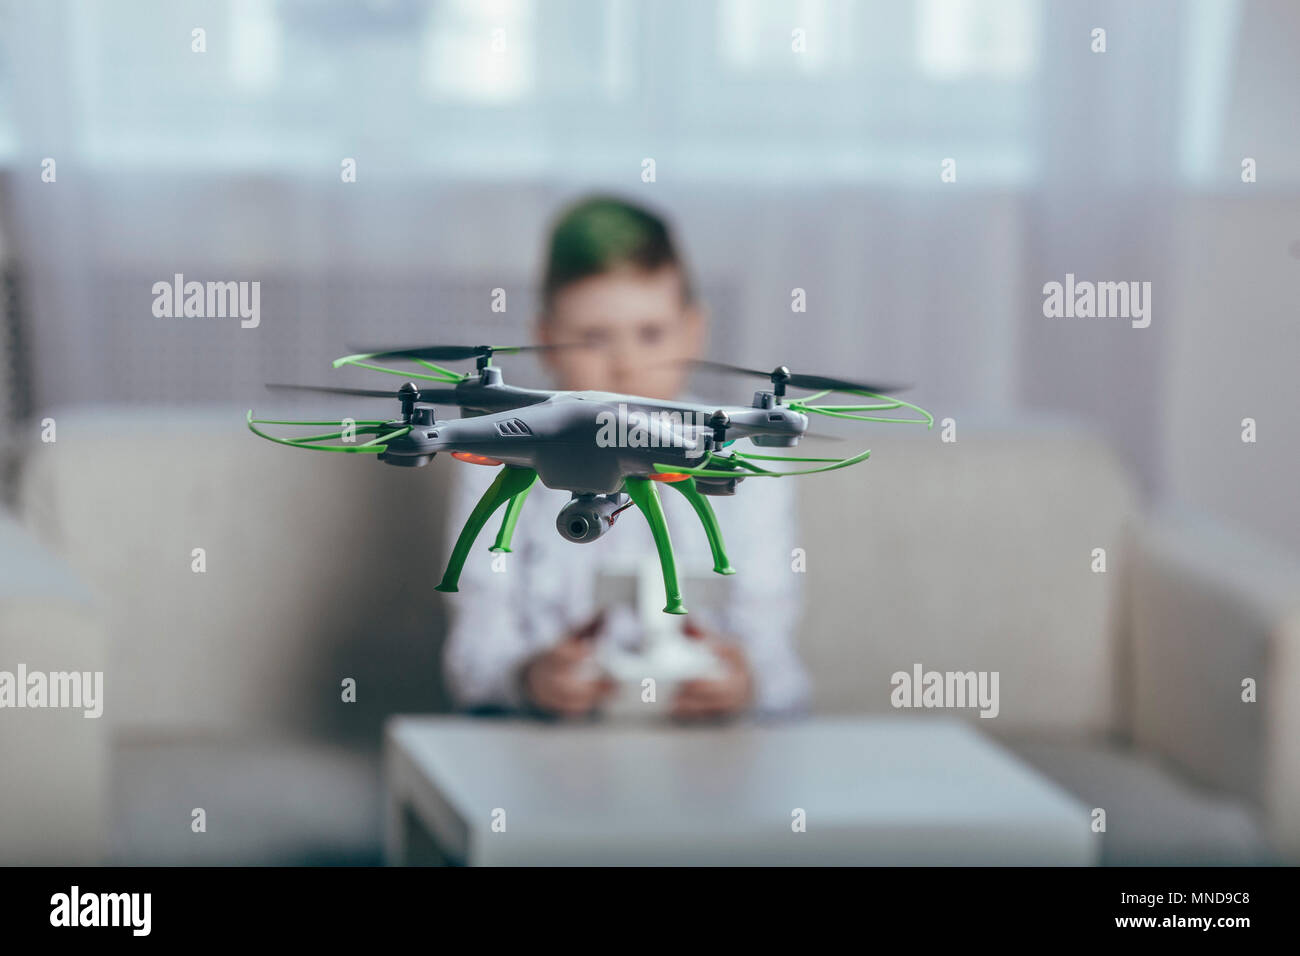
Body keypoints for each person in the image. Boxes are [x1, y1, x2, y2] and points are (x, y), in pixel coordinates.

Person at [442, 196, 809, 721]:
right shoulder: (499, 450)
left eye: (651, 334)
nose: (625, 363)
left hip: (707, 748)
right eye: (594, 338)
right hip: (548, 745)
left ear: (693, 332)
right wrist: (527, 676)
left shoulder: (749, 454)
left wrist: (746, 681)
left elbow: (774, 641)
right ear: (545, 342)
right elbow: (475, 644)